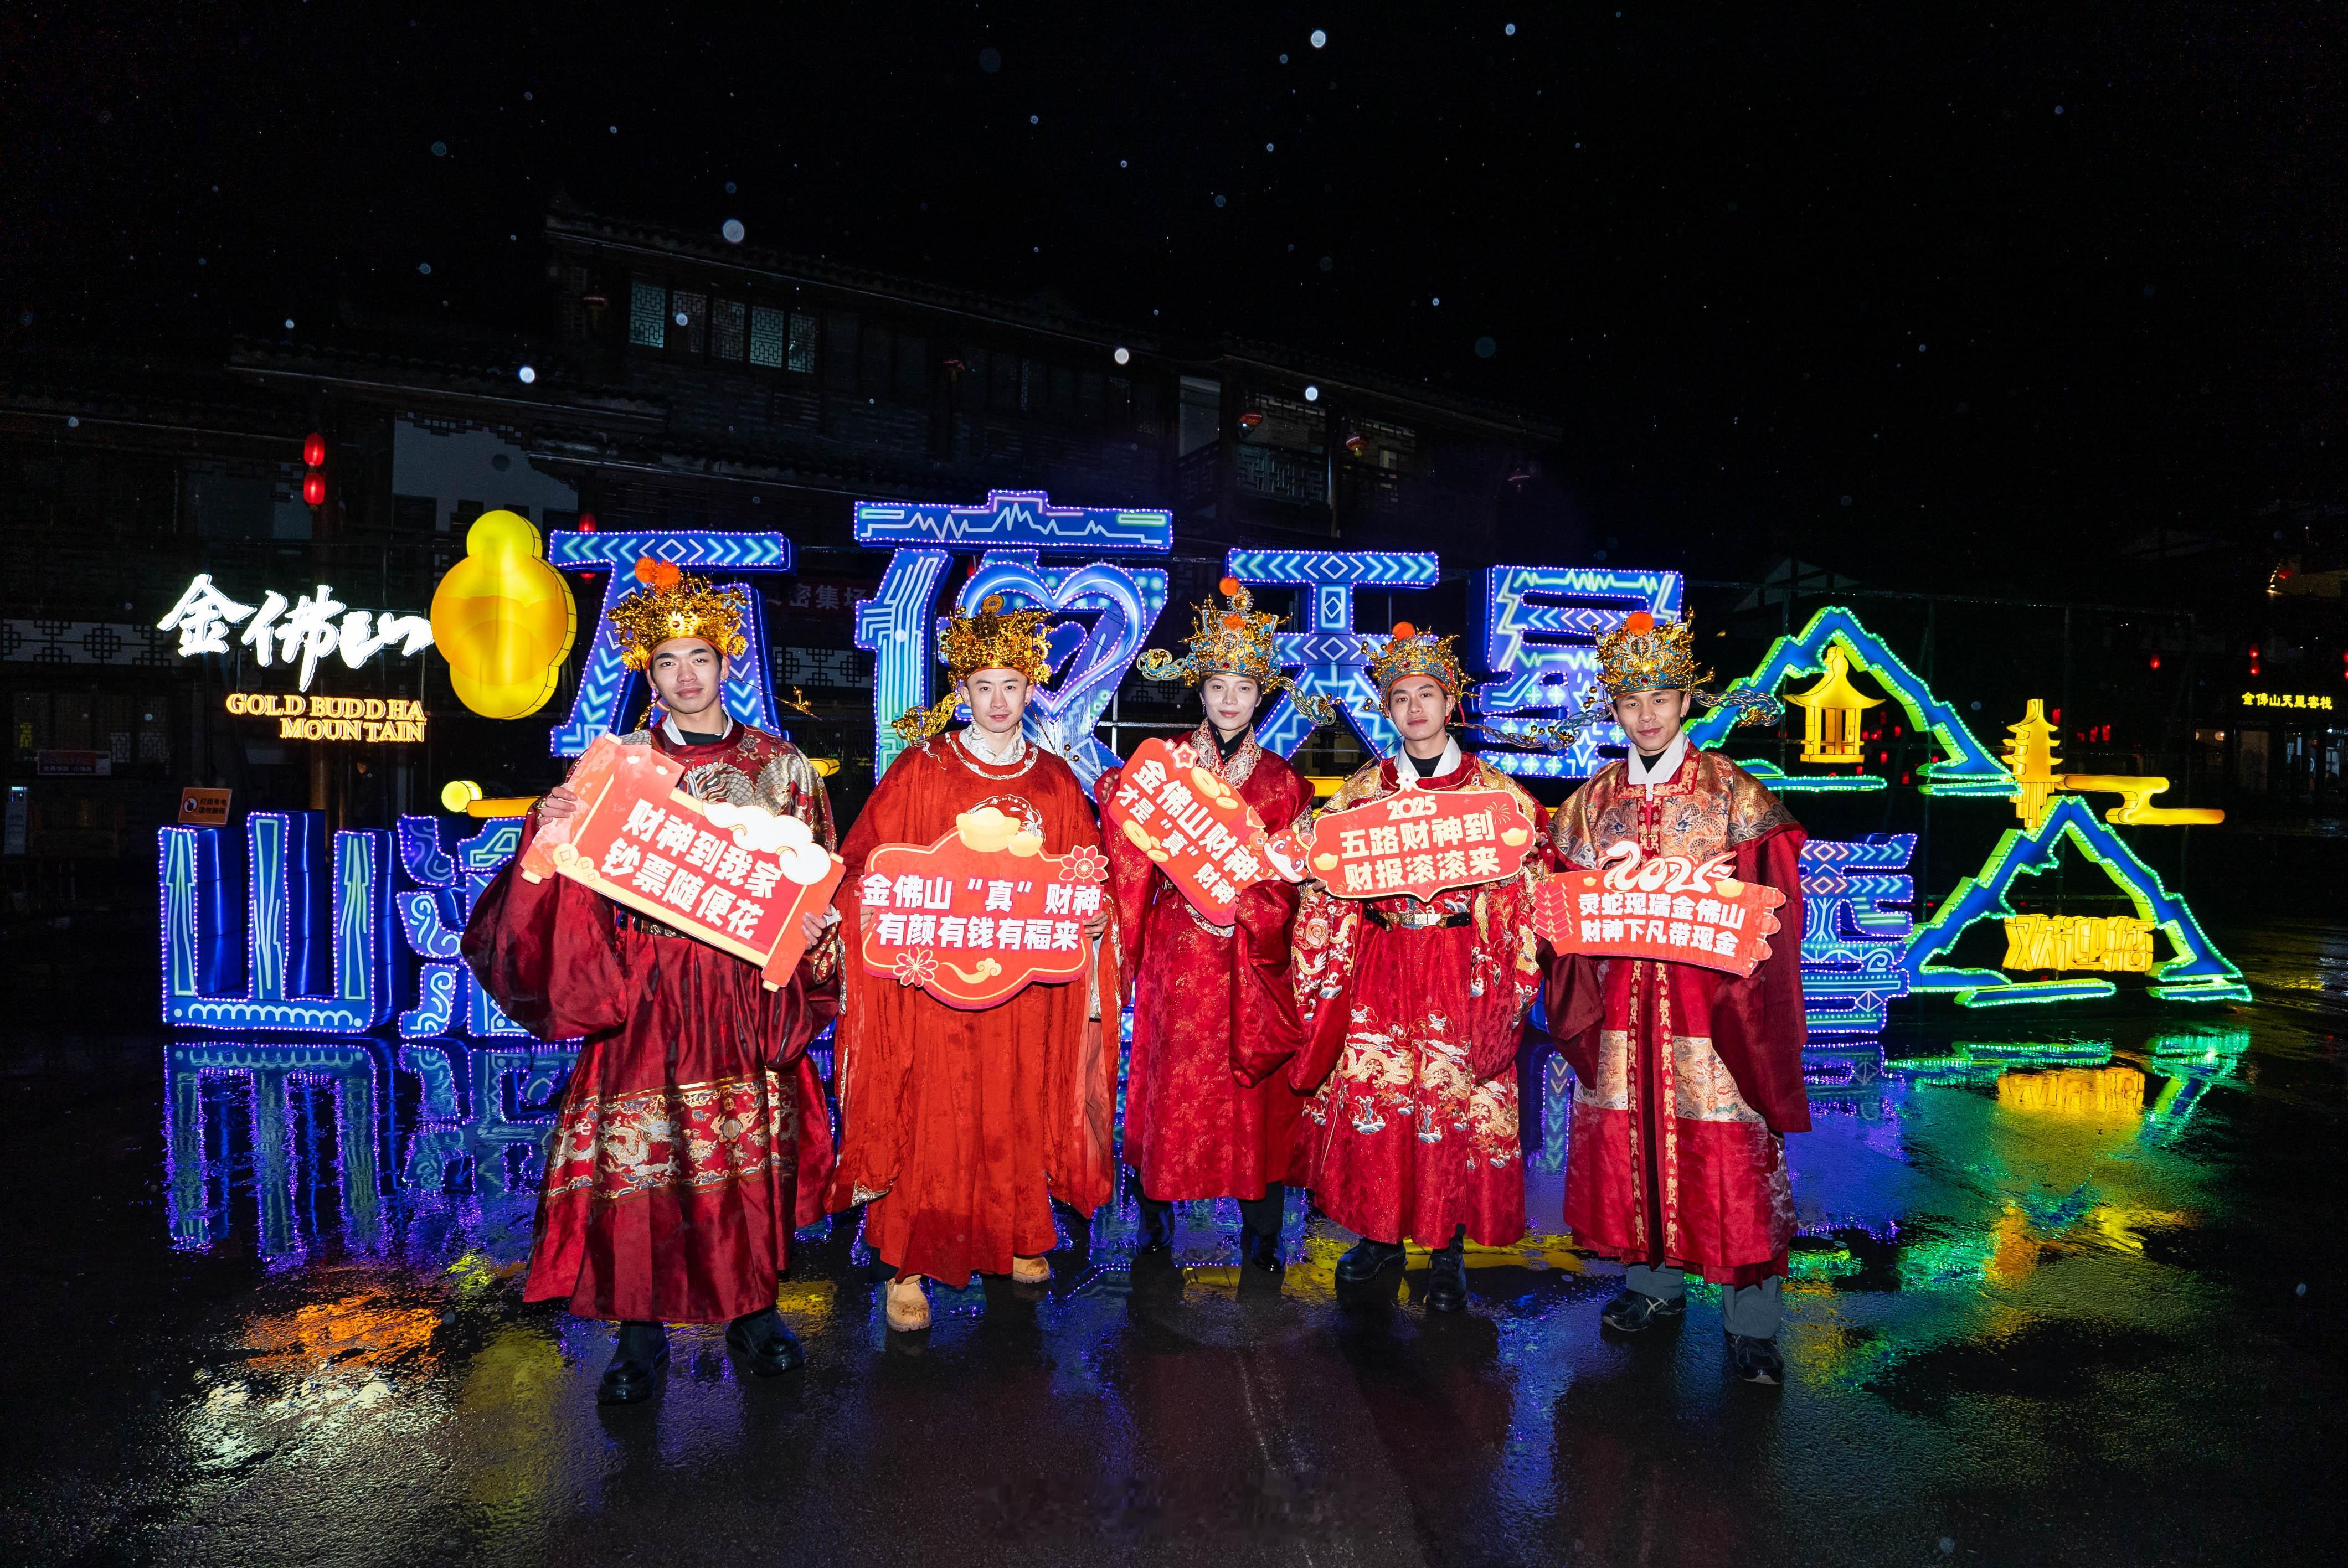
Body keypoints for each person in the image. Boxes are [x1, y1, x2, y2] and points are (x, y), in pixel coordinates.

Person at [464, 558, 840, 1404]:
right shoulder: (615, 767)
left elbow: (821, 886)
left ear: (725, 662)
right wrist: (548, 830)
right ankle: (639, 1329)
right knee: (641, 1161)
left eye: (699, 659)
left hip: (743, 989)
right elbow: (561, 876)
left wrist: (815, 932)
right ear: (649, 671)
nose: (684, 677)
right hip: (645, 989)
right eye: (666, 662)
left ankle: (755, 1309)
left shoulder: (785, 771)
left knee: (747, 1157)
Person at [830, 595, 1117, 1332]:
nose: (996, 701)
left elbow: (1088, 877)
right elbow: (864, 868)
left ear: (1031, 691)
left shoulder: (1054, 781)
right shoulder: (923, 769)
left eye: (1011, 686)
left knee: (1017, 1106)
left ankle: (1019, 1231)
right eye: (982, 686)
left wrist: (1092, 916)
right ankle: (911, 1262)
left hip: (1022, 990)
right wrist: (891, 931)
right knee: (931, 1114)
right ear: (962, 691)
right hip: (934, 987)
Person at [1544, 610, 1808, 1385]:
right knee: (1633, 1143)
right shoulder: (1590, 804)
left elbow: (1778, 904)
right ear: (1614, 709)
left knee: (1727, 1148)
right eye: (1631, 702)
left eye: (1662, 697)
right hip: (1624, 1008)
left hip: (1713, 1012)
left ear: (1688, 698)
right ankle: (1650, 1286)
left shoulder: (1734, 793)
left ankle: (1751, 1319)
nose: (1648, 715)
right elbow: (1560, 909)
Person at [1288, 625, 1549, 1313]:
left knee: (1449, 1105)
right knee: (1382, 1100)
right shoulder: (1360, 794)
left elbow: (1528, 895)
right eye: (1399, 697)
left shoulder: (1501, 799)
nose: (1413, 710)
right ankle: (1380, 1237)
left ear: (1449, 702)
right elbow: (1321, 878)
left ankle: (1446, 1250)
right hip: (1382, 965)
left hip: (1461, 967)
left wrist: (1507, 990)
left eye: (1426, 695)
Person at [1103, 577, 1321, 1271]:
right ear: (1199, 690)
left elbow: (1294, 884)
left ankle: (1261, 1229)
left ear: (1263, 696)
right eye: (1218, 686)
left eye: (1245, 688)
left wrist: (1246, 908)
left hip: (1245, 963)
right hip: (1177, 958)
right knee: (1170, 1085)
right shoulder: (1161, 767)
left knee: (1250, 1093)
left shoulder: (1284, 784)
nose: (1230, 700)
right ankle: (1157, 1222)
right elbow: (1127, 852)